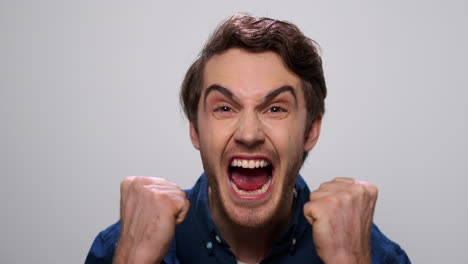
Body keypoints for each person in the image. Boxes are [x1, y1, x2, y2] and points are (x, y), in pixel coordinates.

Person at [85, 14, 410, 264]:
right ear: (195, 130)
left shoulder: (372, 255)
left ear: (310, 131)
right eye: (224, 107)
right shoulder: (122, 247)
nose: (249, 134)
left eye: (275, 108)